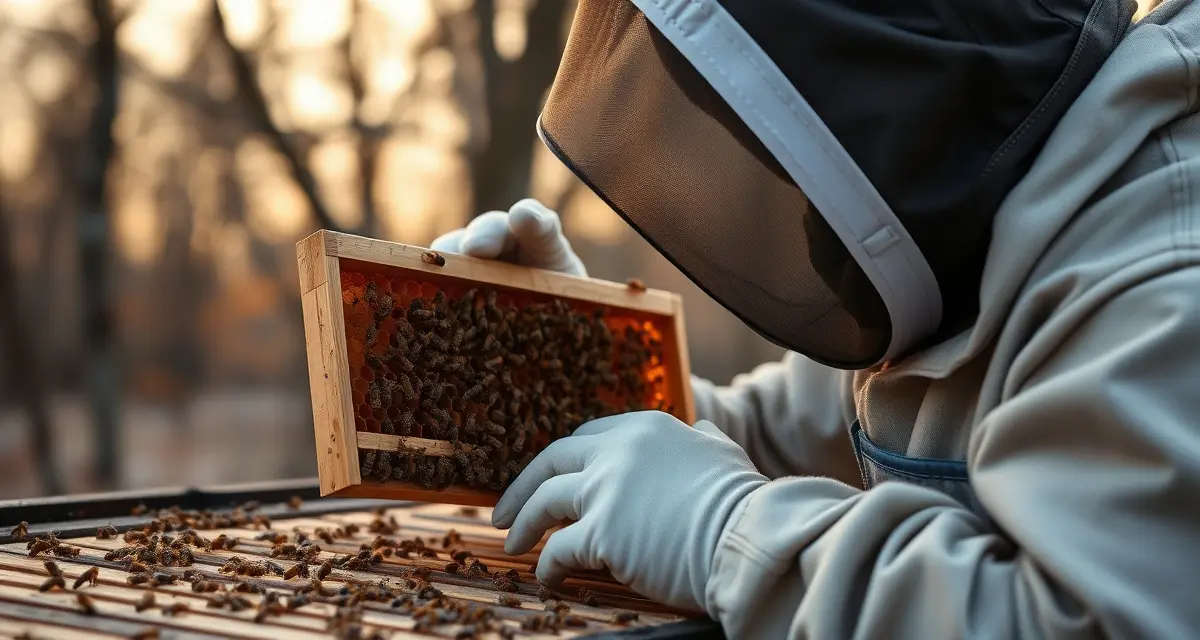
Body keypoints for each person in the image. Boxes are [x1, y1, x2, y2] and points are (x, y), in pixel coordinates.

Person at [432, 0, 1200, 636]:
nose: (803, 221)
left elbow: (1081, 619)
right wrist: (580, 375)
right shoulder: (993, 214)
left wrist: (726, 532)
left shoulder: (1163, 276)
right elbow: (778, 433)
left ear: (900, 103)